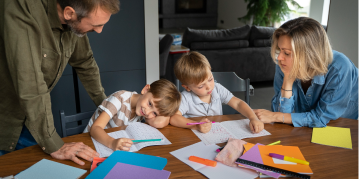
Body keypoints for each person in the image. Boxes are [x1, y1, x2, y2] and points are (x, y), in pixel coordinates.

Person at [0, 0, 120, 165]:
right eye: (96, 25)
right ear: (69, 13)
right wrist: (55, 145)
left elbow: (85, 62)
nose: (99, 31)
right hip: (6, 117)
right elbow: (30, 83)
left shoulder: (73, 21)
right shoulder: (22, 6)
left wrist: (108, 107)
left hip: (34, 118)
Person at [254, 17, 359, 127]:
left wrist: (275, 116)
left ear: (308, 55)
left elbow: (320, 118)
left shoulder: (339, 68)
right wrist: (288, 80)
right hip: (315, 121)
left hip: (342, 119)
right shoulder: (284, 64)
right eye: (280, 50)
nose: (279, 57)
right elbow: (282, 114)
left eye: (287, 53)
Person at [169, 51, 264, 133]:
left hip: (217, 133)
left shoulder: (217, 89)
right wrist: (195, 125)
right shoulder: (185, 98)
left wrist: (253, 118)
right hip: (194, 136)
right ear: (187, 87)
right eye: (201, 86)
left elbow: (238, 103)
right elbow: (174, 118)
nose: (209, 87)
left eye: (210, 79)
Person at [85, 79, 181, 151]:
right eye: (150, 104)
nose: (147, 113)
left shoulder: (142, 108)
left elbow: (159, 122)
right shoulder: (119, 99)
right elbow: (95, 128)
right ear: (146, 89)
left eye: (155, 113)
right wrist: (112, 143)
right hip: (91, 142)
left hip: (111, 146)